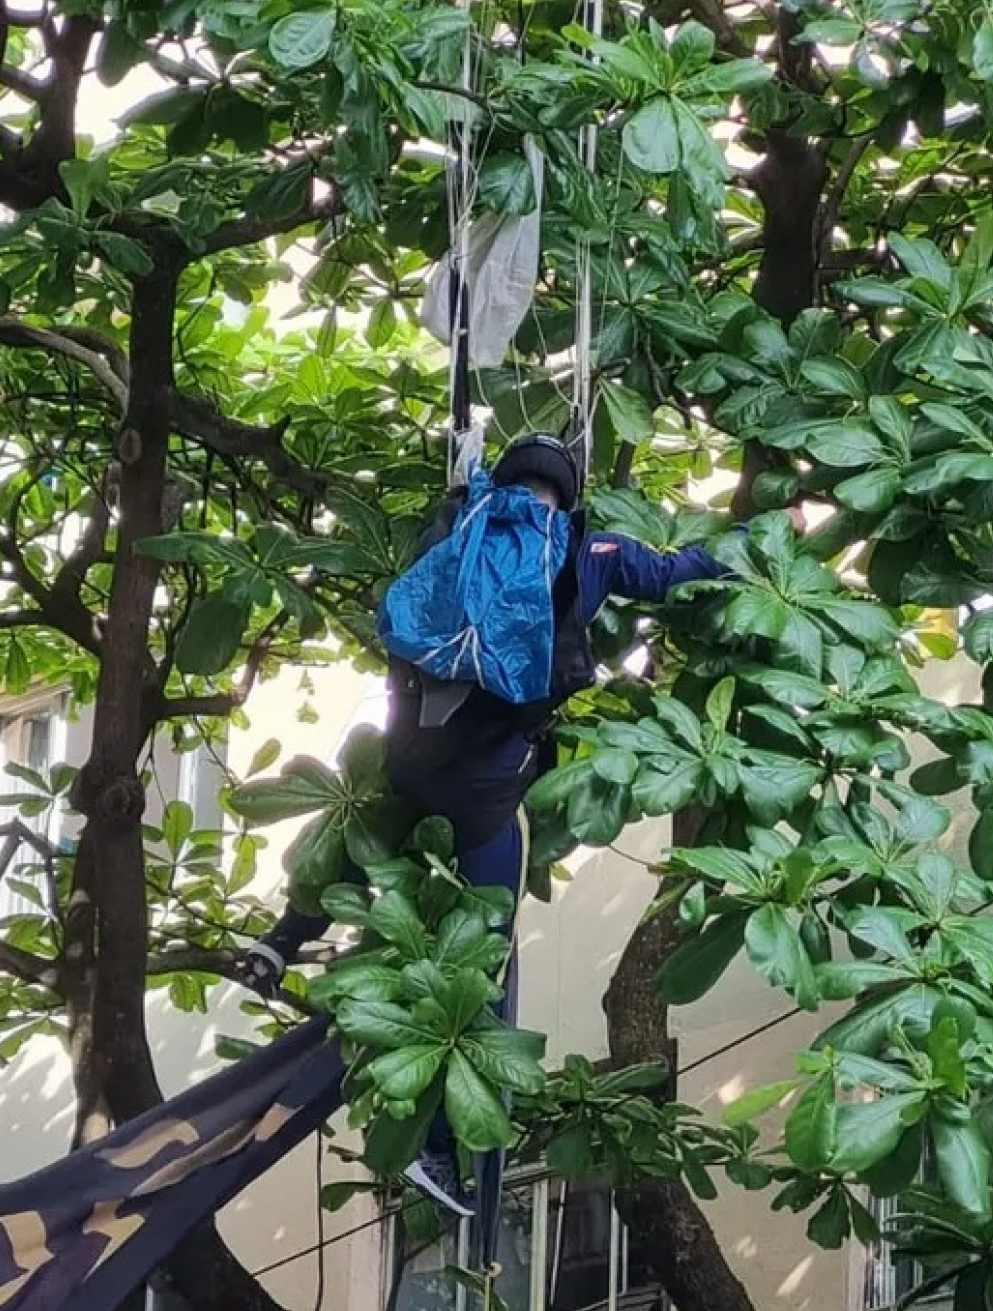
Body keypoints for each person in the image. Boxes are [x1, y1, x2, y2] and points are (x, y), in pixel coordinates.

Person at [230, 433, 725, 1214]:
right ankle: (436, 1147)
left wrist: (462, 482)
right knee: (484, 957)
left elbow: (405, 606)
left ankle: (278, 940)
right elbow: (672, 574)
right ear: (569, 493)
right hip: (488, 788)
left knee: (370, 833)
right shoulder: (588, 549)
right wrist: (750, 547)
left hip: (413, 755)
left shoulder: (460, 521)